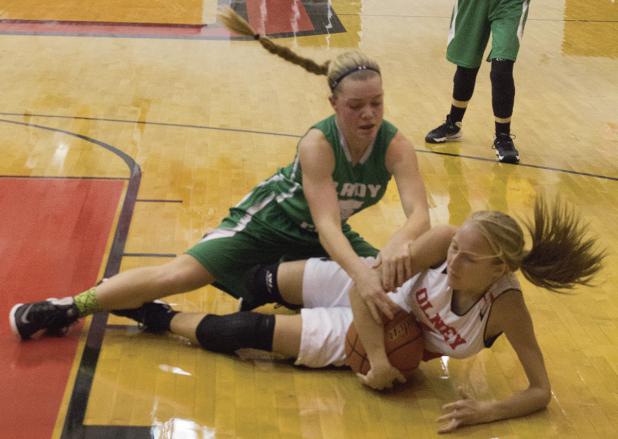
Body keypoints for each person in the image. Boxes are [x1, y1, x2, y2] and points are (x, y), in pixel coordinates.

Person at [8, 8, 429, 340]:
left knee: (389, 289)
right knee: (178, 276)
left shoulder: (395, 146)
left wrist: (397, 244)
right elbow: (326, 225)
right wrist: (361, 275)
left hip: (322, 235)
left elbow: (420, 216)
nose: (369, 114)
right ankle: (66, 307)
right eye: (357, 106)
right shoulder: (318, 144)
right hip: (268, 222)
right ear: (334, 103)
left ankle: (245, 296)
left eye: (377, 102)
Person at [54, 196, 601, 434]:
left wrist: (484, 411)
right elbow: (367, 292)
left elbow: (540, 391)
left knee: (237, 333)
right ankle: (219, 269)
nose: (453, 258)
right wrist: (382, 364)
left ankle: (153, 314)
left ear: (499, 267)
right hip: (370, 291)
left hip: (382, 329)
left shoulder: (507, 307)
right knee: (258, 282)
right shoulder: (442, 243)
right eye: (453, 249)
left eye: (467, 258)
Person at [425, 0, 531, 164]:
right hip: (473, 4)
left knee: (501, 69)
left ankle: (503, 136)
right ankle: (453, 123)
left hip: (509, 4)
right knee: (466, 65)